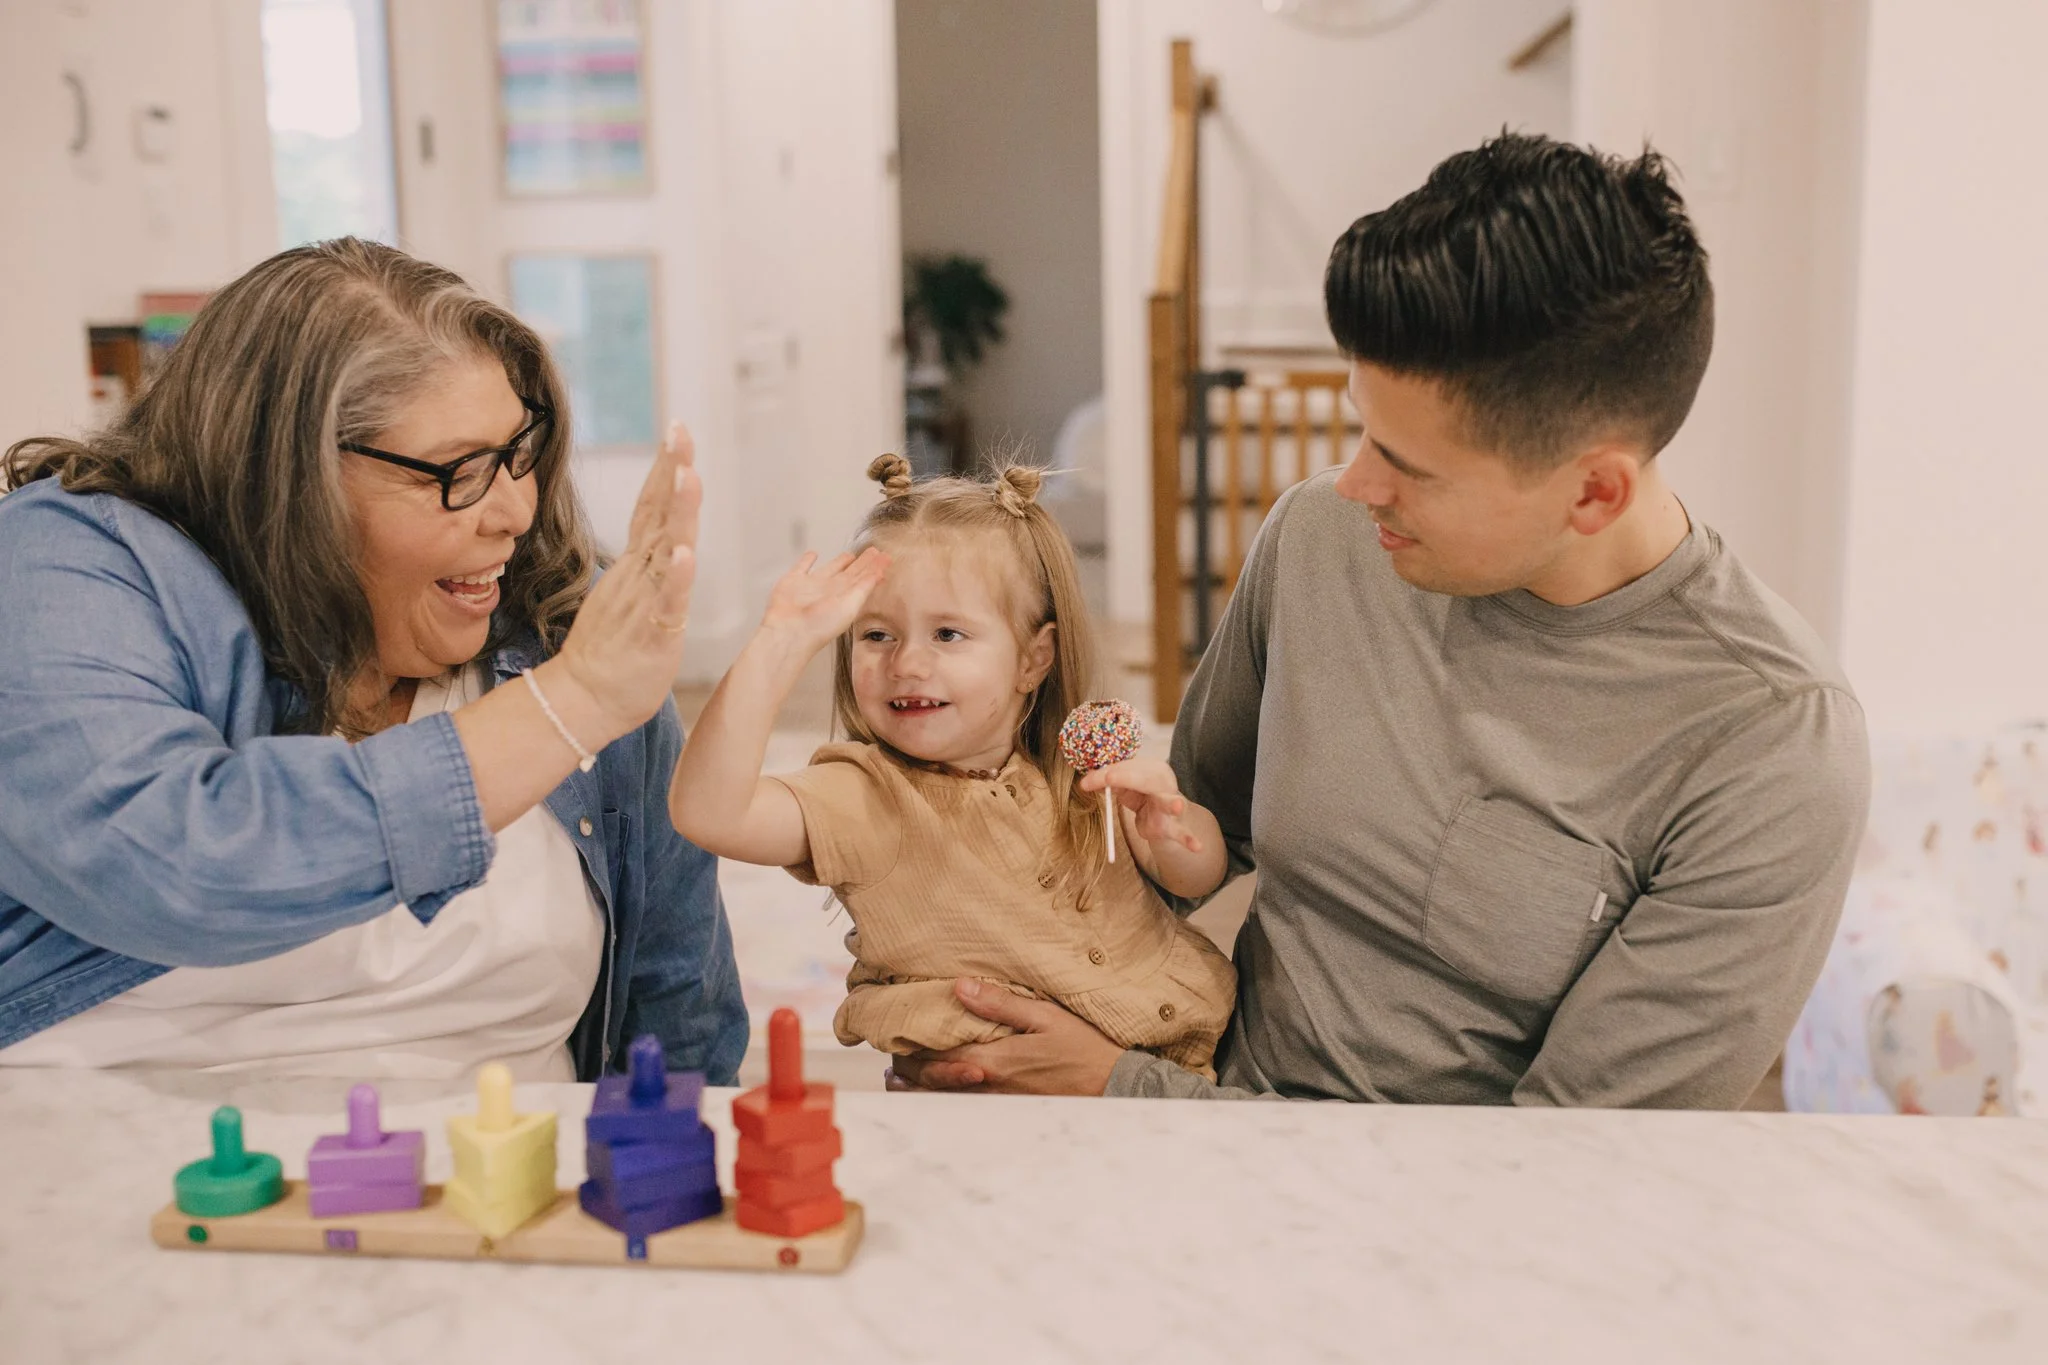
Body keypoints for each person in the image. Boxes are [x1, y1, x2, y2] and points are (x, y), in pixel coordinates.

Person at [892, 132, 1872, 1107]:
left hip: (1431, 1198)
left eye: (1409, 465)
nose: (1355, 483)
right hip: (1203, 1107)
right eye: (1363, 426)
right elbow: (1189, 838)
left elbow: (1575, 1156)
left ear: (1593, 493)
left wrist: (1123, 1088)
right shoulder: (1320, 535)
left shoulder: (1769, 745)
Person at [0, 237, 746, 1082]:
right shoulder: (62, 568)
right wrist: (567, 705)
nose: (513, 510)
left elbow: (677, 1013)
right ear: (286, 481)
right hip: (115, 1156)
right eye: (459, 470)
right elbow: (176, 865)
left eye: (518, 454)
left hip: (506, 1161)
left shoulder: (567, 622)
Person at [669, 455, 1236, 1077]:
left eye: (947, 635)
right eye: (876, 635)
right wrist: (778, 643)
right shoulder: (866, 798)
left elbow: (1197, 876)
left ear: (1034, 659)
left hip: (1179, 1074)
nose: (907, 663)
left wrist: (1173, 830)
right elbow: (709, 813)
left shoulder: (1088, 776)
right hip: (997, 1109)